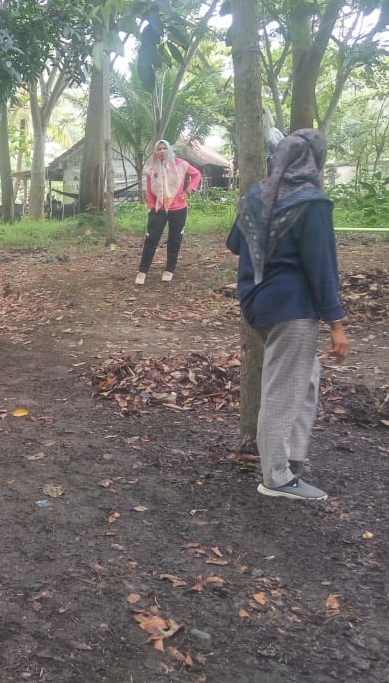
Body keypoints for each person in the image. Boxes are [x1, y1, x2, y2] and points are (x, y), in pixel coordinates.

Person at [226, 128, 349, 500]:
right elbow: (322, 266)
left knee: (306, 377)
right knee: (282, 389)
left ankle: (292, 459)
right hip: (292, 308)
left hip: (257, 302)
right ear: (315, 161)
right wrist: (336, 324)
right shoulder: (312, 203)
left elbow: (234, 243)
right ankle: (276, 478)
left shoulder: (257, 195)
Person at [135, 139, 202, 284]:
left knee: (174, 240)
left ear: (169, 150)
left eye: (164, 148)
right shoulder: (152, 168)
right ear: (155, 152)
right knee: (151, 239)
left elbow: (197, 174)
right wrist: (151, 207)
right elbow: (150, 190)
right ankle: (142, 271)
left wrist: (188, 191)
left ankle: (169, 269)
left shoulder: (181, 164)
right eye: (159, 149)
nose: (162, 151)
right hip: (158, 209)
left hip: (178, 208)